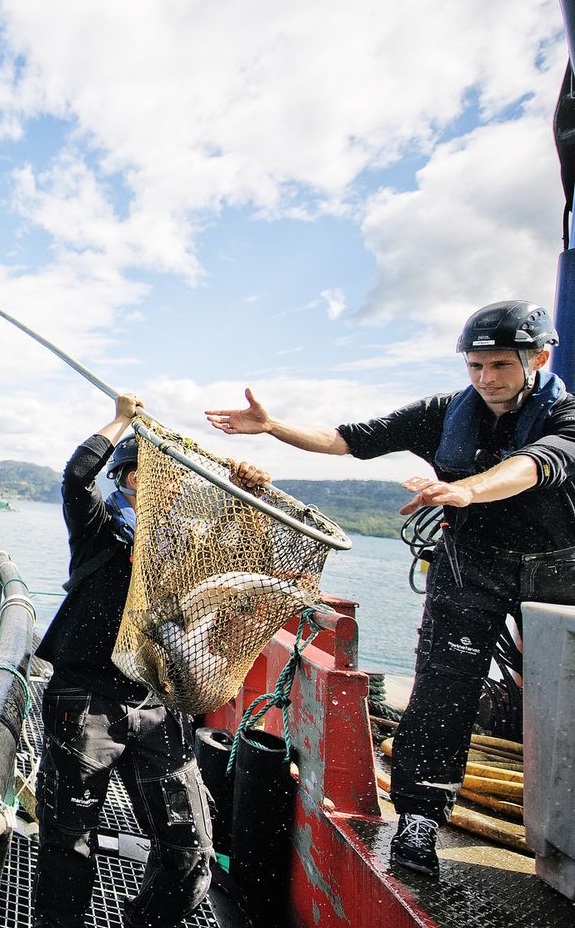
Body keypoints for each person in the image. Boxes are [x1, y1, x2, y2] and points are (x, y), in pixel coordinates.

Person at [203, 299, 575, 879]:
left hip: (555, 571)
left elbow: (535, 464)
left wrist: (466, 491)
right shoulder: (445, 411)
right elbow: (351, 438)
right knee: (443, 686)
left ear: (540, 357)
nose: (485, 379)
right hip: (470, 563)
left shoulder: (567, 417)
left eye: (500, 365)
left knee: (565, 693)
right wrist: (275, 427)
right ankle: (422, 816)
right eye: (475, 367)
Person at [33, 391, 271, 928]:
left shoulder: (188, 547)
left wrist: (249, 491)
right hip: (84, 697)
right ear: (127, 479)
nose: (157, 487)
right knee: (70, 837)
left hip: (159, 701)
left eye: (166, 479)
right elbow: (76, 478)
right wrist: (121, 421)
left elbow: (246, 551)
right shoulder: (99, 528)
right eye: (145, 477)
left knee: (189, 844)